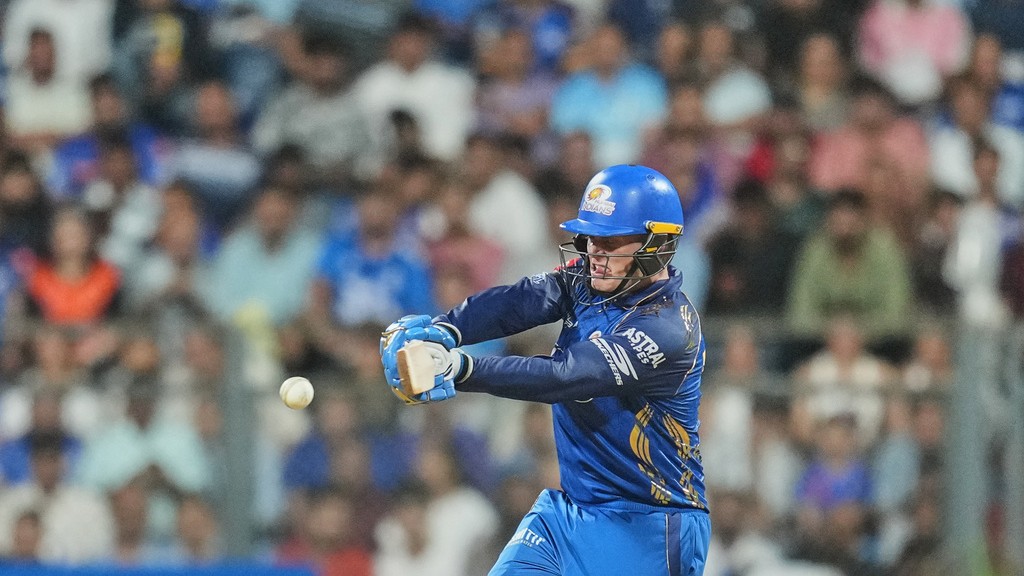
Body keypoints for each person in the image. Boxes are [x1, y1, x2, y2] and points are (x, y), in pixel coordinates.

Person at [380, 164, 711, 574]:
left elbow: (566, 376)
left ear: (657, 243)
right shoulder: (587, 279)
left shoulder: (668, 329)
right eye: (591, 239)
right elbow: (521, 301)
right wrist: (445, 328)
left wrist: (460, 369)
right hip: (567, 514)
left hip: (649, 525)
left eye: (612, 242)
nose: (595, 254)